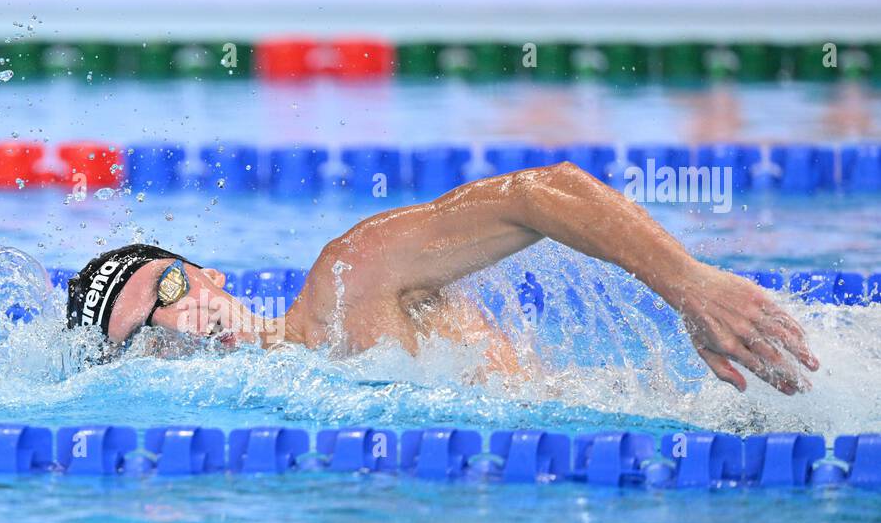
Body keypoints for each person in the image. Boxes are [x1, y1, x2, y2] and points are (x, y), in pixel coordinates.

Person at [65, 161, 818, 395]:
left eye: (168, 290)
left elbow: (538, 193)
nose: (178, 320)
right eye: (143, 330)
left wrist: (690, 286)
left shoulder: (349, 280)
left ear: (206, 273)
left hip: (733, 396)